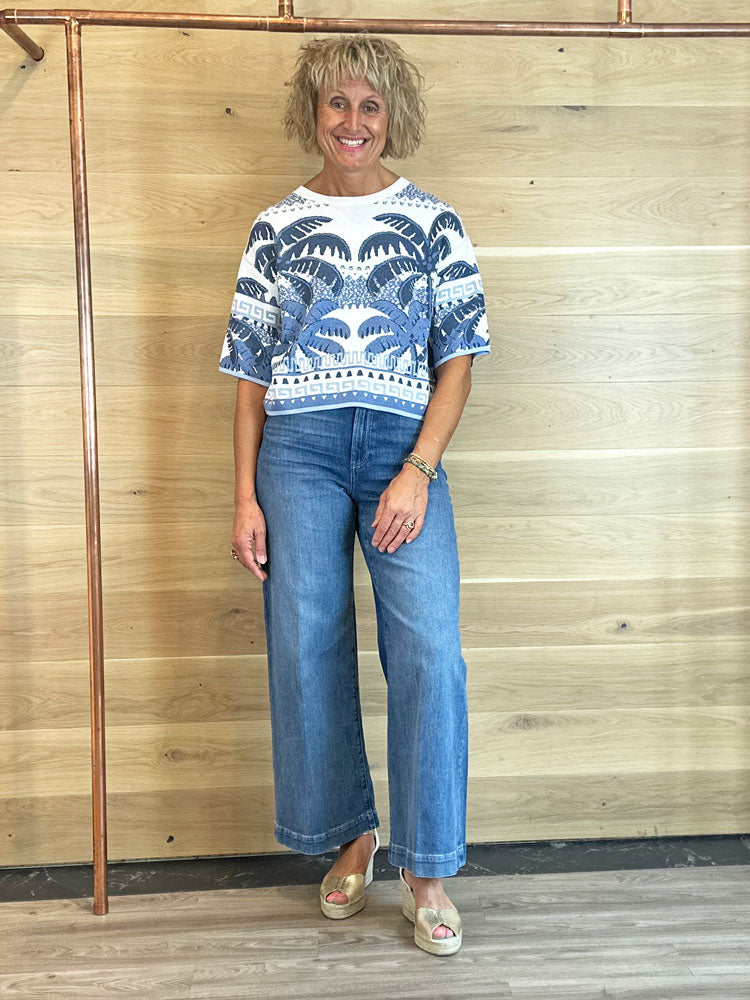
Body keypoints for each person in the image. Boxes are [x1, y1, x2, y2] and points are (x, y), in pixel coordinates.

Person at [218, 33, 490, 957]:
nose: (352, 120)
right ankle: (351, 835)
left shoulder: (434, 223)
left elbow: (459, 361)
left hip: (401, 450)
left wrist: (420, 468)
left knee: (429, 650)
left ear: (391, 117)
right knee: (305, 643)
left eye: (370, 105)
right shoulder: (274, 227)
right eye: (337, 102)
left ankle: (428, 869)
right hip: (296, 450)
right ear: (314, 113)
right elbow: (249, 373)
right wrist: (244, 496)